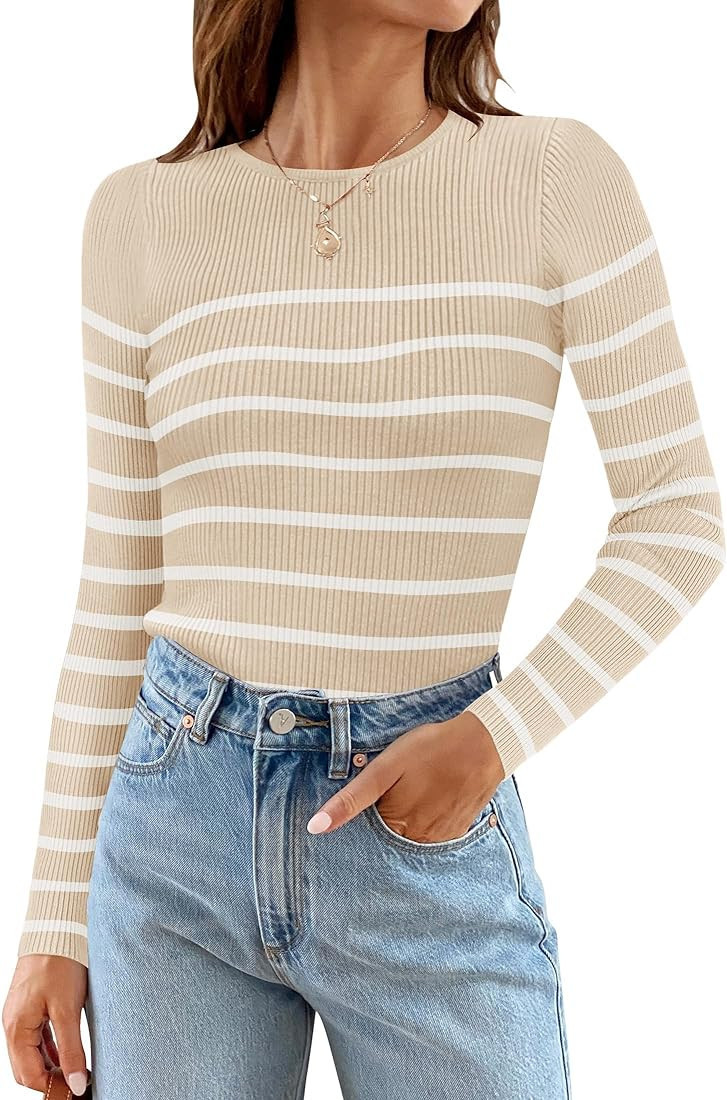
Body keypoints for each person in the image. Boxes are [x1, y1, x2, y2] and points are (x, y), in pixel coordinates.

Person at [3, 1, 724, 1097]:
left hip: (420, 827)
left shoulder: (551, 179)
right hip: (173, 834)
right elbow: (119, 586)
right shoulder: (141, 214)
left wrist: (490, 738)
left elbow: (678, 513)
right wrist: (54, 913)